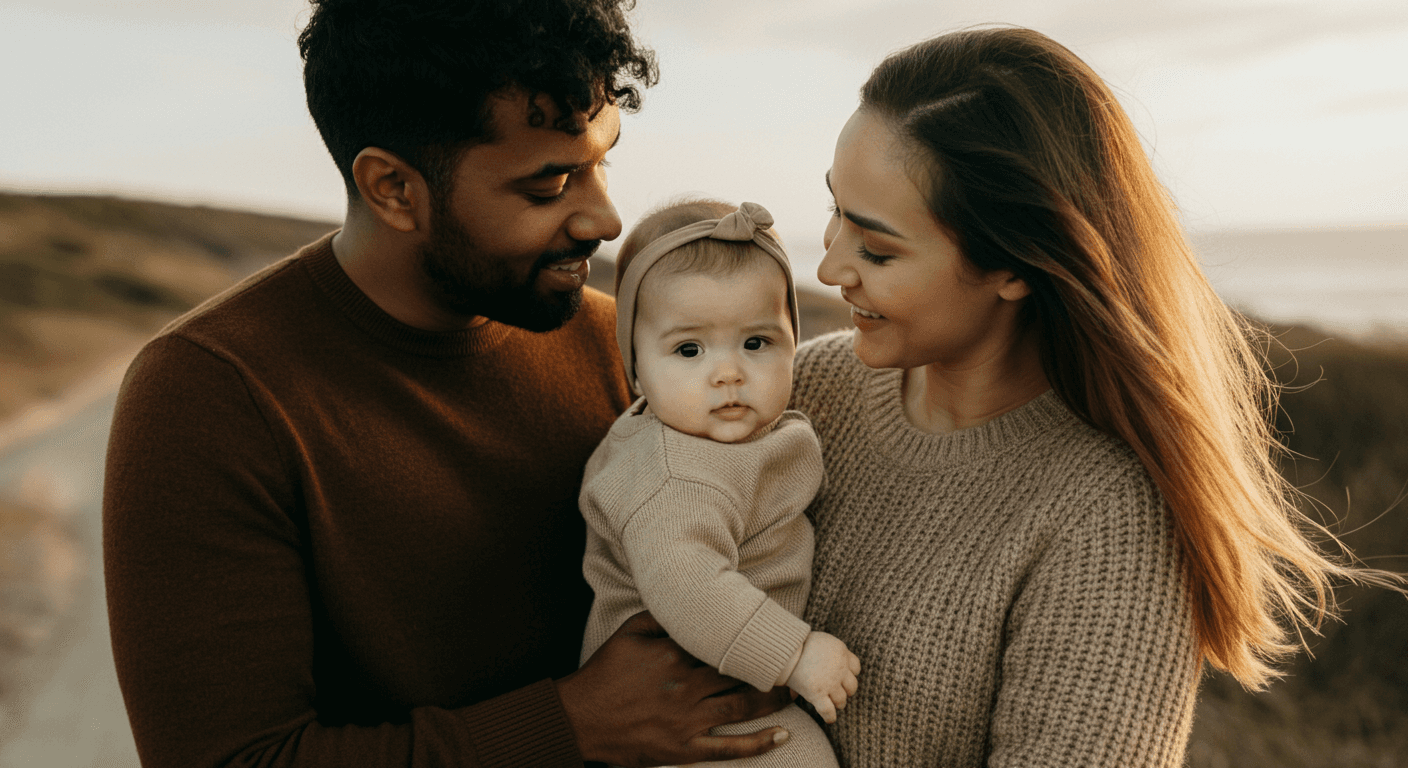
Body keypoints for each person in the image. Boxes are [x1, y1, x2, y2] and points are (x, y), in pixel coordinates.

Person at [101, 2, 792, 766]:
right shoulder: (211, 394)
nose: (604, 218)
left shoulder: (631, 347)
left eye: (603, 162)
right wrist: (570, 724)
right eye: (549, 184)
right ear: (394, 188)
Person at [791, 26, 1399, 767]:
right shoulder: (802, 391)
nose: (828, 267)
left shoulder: (1109, 526)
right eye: (834, 211)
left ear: (1014, 266)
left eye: (876, 249)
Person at [578, 200, 861, 767]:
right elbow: (688, 583)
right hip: (676, 699)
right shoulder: (670, 473)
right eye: (689, 350)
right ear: (636, 368)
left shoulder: (746, 437)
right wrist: (795, 654)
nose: (728, 373)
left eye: (757, 343)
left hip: (727, 672)